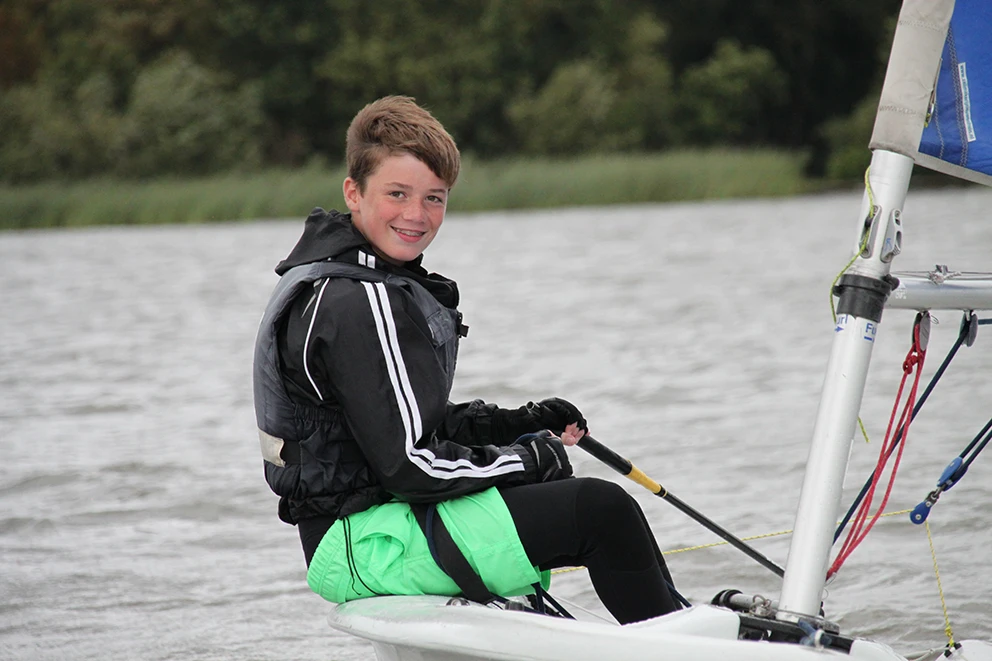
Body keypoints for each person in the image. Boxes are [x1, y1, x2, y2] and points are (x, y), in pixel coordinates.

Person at [253, 96, 681, 624]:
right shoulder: (356, 300)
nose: (416, 215)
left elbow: (400, 423)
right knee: (601, 510)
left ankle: (681, 627)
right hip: (364, 541)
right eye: (397, 194)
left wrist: (516, 425)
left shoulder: (343, 281)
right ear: (353, 192)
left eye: (434, 198)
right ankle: (680, 643)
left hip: (363, 528)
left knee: (577, 502)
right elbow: (408, 464)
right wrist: (527, 458)